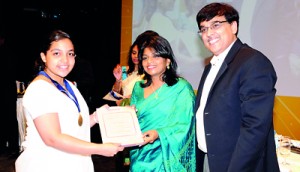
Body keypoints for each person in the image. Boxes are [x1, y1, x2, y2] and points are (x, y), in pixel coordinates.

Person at [15, 30, 124, 172]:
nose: (65, 60)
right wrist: (100, 148)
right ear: (43, 56)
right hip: (48, 164)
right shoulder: (39, 89)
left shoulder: (68, 85)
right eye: (56, 53)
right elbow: (53, 138)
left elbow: (73, 125)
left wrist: (96, 117)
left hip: (72, 162)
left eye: (70, 54)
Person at [194, 3, 279, 172]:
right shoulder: (211, 66)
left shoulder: (253, 62)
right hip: (209, 160)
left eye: (216, 25)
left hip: (236, 165)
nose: (209, 33)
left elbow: (255, 128)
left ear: (233, 26)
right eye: (203, 29)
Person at [129, 34, 196, 171]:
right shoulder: (137, 88)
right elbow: (133, 122)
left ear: (168, 60)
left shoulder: (181, 88)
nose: (149, 62)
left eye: (156, 56)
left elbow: (186, 124)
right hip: (140, 156)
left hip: (166, 159)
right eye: (145, 58)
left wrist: (159, 133)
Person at [111, 30, 159, 106]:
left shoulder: (148, 72)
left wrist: (128, 99)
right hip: (122, 109)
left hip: (137, 108)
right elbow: (115, 95)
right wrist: (117, 80)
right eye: (133, 53)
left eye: (139, 53)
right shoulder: (124, 70)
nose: (136, 56)